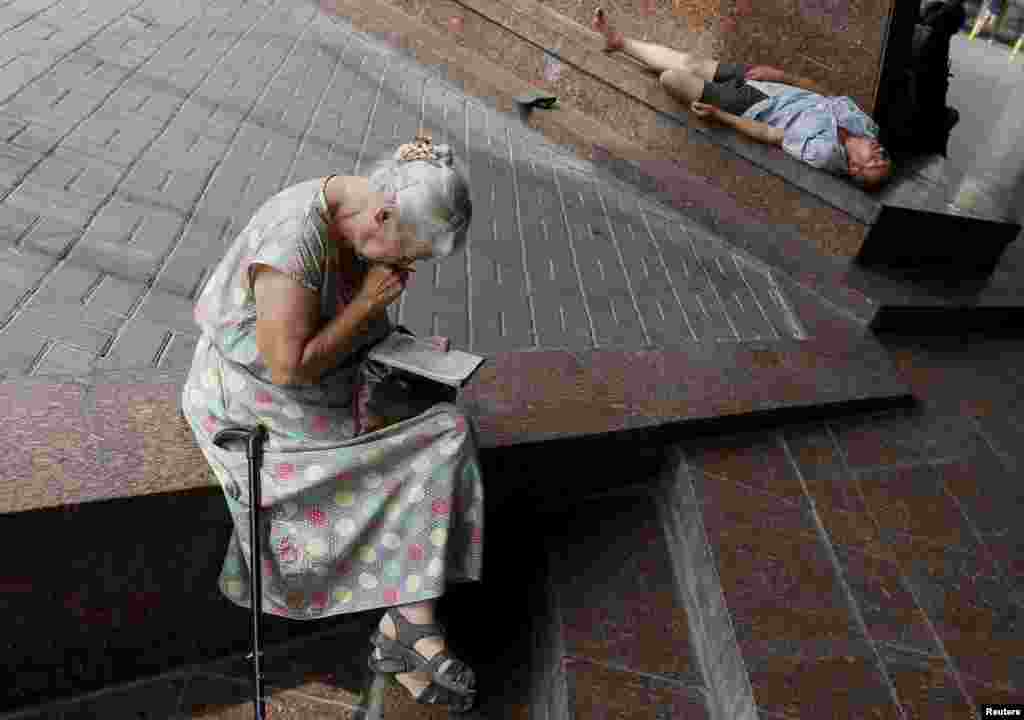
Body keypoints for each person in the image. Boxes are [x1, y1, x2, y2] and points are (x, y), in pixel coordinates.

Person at [181, 134, 480, 712]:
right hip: (254, 398)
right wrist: (369, 306)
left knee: (444, 426)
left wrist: (391, 341)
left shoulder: (358, 215)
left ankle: (406, 625)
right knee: (439, 439)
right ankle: (408, 628)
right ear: (384, 213)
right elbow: (287, 367)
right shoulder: (294, 243)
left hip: (325, 378)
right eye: (410, 251)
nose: (405, 264)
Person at [592, 7, 893, 191]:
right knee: (694, 62)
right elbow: (823, 92)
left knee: (672, 78)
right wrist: (783, 75)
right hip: (769, 83)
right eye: (883, 156)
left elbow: (772, 135)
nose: (880, 153)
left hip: (752, 105)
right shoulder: (867, 126)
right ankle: (619, 42)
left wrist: (719, 116)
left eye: (875, 162)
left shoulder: (824, 153)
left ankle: (659, 68)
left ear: (854, 168)